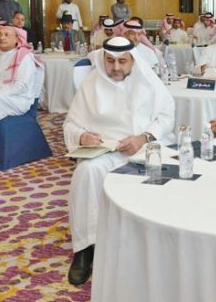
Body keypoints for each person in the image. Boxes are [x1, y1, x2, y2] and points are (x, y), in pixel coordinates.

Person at [64, 37, 175, 286]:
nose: (115, 67)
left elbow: (168, 116)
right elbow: (70, 124)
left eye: (122, 61)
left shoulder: (148, 81)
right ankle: (85, 249)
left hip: (143, 149)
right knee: (85, 172)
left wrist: (143, 137)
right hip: (105, 153)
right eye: (110, 61)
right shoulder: (91, 84)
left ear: (133, 60)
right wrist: (82, 136)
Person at [0, 25, 42, 144]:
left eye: (6, 35)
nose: (2, 38)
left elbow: (21, 87)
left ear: (17, 38)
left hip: (16, 99)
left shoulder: (24, 57)